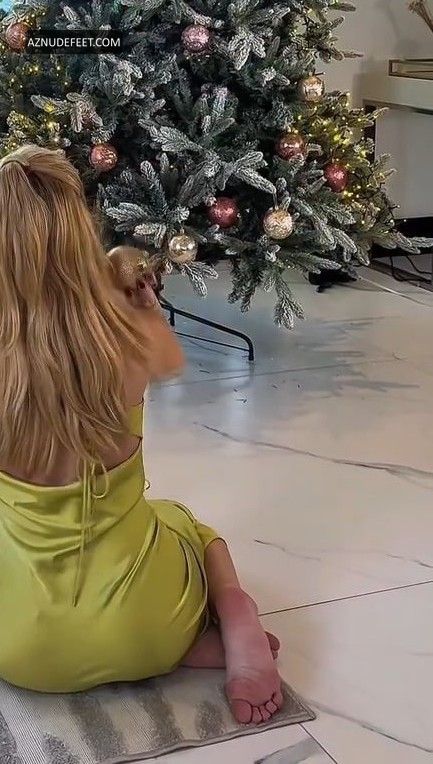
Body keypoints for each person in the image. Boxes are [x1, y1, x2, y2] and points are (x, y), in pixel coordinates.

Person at [0, 145, 283, 725]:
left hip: (21, 652)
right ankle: (229, 615)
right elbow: (171, 361)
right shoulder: (124, 330)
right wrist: (134, 295)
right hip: (149, 625)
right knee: (187, 524)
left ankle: (147, 642)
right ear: (79, 227)